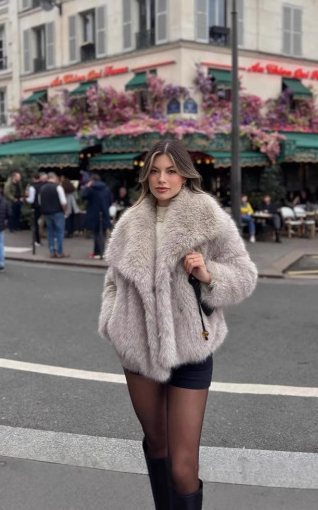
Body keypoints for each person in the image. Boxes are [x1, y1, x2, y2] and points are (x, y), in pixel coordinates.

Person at [99, 140, 257, 509]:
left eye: (171, 171)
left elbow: (245, 275)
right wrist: (114, 323)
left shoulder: (208, 217)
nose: (162, 179)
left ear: (185, 175)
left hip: (191, 350)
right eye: (155, 171)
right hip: (138, 351)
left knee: (183, 467)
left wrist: (209, 273)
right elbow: (112, 281)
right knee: (157, 444)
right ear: (146, 176)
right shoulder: (129, 222)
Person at [82, 174, 112, 259]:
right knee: (102, 233)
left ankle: (97, 252)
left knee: (96, 233)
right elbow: (110, 201)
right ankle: (102, 252)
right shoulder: (106, 189)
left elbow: (83, 196)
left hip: (93, 214)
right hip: (104, 213)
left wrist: (87, 187)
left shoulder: (91, 189)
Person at [39, 172, 69, 258]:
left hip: (47, 213)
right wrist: (65, 211)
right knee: (59, 232)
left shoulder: (42, 188)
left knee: (50, 232)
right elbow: (63, 202)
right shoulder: (58, 187)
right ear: (55, 178)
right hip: (57, 212)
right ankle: (59, 252)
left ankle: (52, 251)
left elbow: (40, 201)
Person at [25, 172, 47, 246]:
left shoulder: (32, 187)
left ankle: (37, 241)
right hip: (45, 206)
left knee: (35, 224)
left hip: (36, 207)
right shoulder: (44, 185)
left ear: (33, 178)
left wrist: (25, 199)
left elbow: (31, 199)